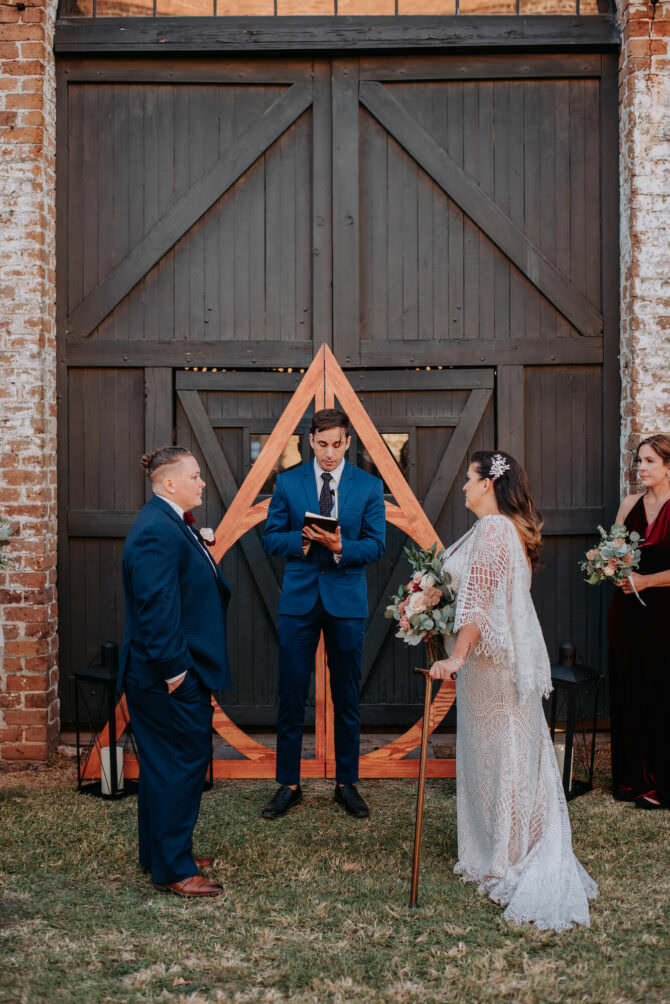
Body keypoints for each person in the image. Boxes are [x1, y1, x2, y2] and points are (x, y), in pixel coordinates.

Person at [430, 450, 597, 931]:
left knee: (501, 752)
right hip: (495, 664)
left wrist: (456, 656)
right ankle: (505, 841)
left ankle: (505, 853)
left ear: (488, 484)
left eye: (468, 478)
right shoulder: (502, 530)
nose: (463, 486)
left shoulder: (494, 529)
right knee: (501, 752)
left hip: (488, 664)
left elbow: (479, 603)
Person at [261, 408, 385, 820]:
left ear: (348, 443)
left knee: (347, 694)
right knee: (291, 693)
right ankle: (289, 784)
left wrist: (339, 548)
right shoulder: (288, 482)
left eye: (337, 444)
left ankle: (346, 783)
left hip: (347, 602)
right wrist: (301, 540)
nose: (329, 452)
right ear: (310, 441)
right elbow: (270, 539)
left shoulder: (368, 486)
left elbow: (376, 545)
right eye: (322, 444)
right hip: (298, 601)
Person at [119, 446, 232, 897]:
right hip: (166, 674)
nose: (202, 483)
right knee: (178, 767)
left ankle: (163, 851)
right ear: (169, 484)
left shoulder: (170, 524)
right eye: (195, 476)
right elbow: (156, 606)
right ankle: (173, 869)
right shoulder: (156, 532)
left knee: (164, 766)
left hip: (173, 669)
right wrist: (174, 672)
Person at [608, 433, 670, 809]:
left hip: (666, 615)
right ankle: (632, 779)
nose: (641, 468)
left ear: (668, 466)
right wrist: (610, 566)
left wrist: (647, 580)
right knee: (629, 688)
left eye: (649, 461)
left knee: (663, 692)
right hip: (627, 613)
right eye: (639, 461)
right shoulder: (629, 503)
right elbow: (613, 551)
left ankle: (661, 784)